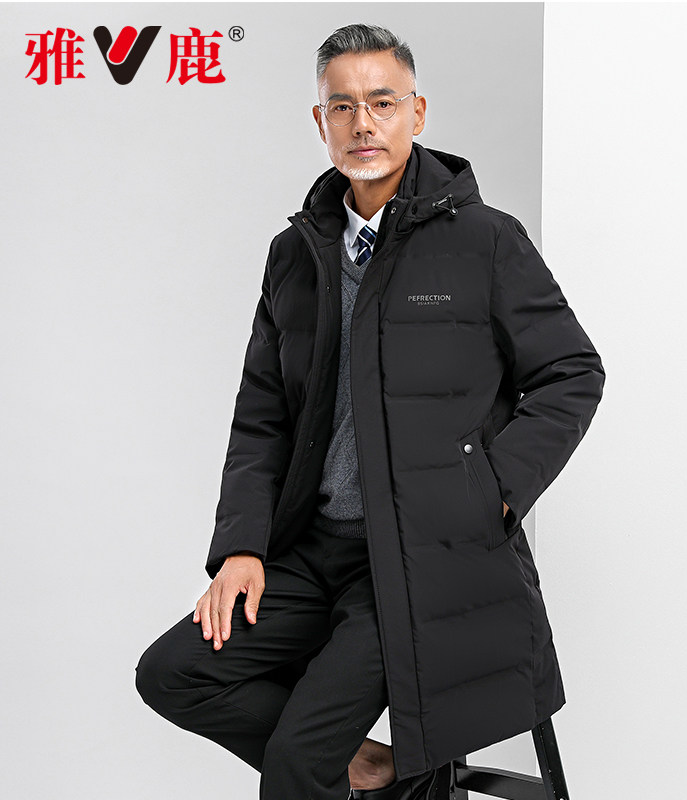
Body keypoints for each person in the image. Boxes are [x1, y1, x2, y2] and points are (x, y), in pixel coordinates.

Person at [135, 22, 605, 800]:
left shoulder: (486, 242)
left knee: (297, 763)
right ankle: (369, 764)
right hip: (310, 553)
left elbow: (571, 371)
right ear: (319, 122)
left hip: (416, 562)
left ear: (416, 113)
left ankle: (336, 763)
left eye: (382, 102)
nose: (363, 123)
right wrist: (241, 548)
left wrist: (492, 490)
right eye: (343, 106)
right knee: (172, 673)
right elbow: (261, 416)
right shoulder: (296, 255)